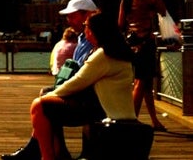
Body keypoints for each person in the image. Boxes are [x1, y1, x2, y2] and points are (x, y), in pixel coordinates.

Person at [28, 12, 136, 160]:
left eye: (86, 26)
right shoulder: (116, 51)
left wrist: (50, 96)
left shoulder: (103, 55)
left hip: (105, 112)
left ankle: (48, 156)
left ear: (94, 30)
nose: (84, 31)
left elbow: (78, 81)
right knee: (47, 99)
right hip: (110, 109)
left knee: (38, 105)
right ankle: (56, 152)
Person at [2, 0, 99, 160]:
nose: (69, 20)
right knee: (45, 93)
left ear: (87, 15)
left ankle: (45, 152)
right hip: (83, 92)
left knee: (43, 103)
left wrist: (58, 91)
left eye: (72, 16)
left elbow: (85, 75)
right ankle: (53, 149)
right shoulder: (82, 38)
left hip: (89, 98)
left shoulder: (94, 40)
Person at [118, 0, 168, 132]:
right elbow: (163, 10)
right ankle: (132, 121)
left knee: (146, 85)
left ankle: (155, 121)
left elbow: (120, 24)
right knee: (141, 82)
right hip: (146, 42)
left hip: (132, 44)